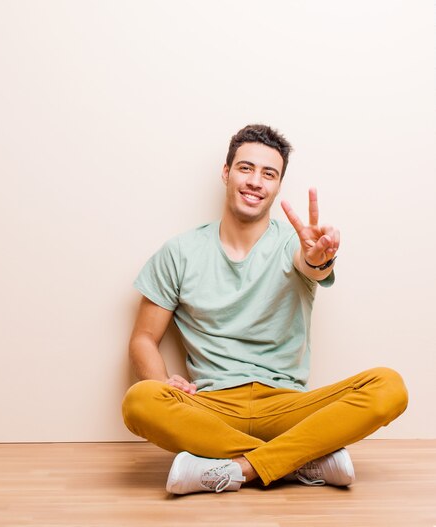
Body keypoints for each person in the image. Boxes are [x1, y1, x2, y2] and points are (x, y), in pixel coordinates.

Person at [121, 124, 408, 495]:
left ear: (277, 185)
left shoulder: (298, 244)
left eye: (268, 174)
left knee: (389, 386)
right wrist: (161, 381)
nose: (256, 181)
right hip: (210, 407)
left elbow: (311, 264)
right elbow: (144, 337)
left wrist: (317, 260)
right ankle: (301, 461)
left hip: (287, 407)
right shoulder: (179, 252)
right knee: (140, 401)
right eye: (246, 168)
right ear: (226, 173)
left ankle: (236, 468)